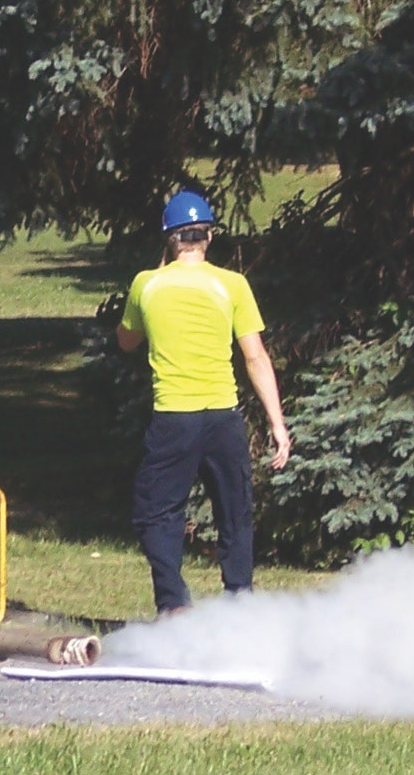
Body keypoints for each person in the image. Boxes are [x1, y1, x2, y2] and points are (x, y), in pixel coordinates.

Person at [113, 188, 289, 613]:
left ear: (170, 239)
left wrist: (156, 283)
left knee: (157, 512)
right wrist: (277, 425)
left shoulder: (146, 284)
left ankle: (174, 604)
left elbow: (126, 341)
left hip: (175, 418)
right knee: (234, 512)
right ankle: (239, 603)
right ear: (208, 237)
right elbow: (255, 356)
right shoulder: (232, 284)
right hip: (224, 417)